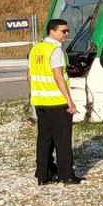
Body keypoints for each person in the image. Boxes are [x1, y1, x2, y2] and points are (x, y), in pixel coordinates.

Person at [28, 18, 81, 185]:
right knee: (62, 140)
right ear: (52, 32)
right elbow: (58, 76)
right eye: (63, 31)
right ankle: (66, 174)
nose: (66, 34)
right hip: (57, 102)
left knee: (44, 139)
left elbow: (29, 76)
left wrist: (38, 92)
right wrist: (69, 100)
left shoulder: (36, 49)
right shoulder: (56, 51)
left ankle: (43, 175)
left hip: (40, 102)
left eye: (67, 31)